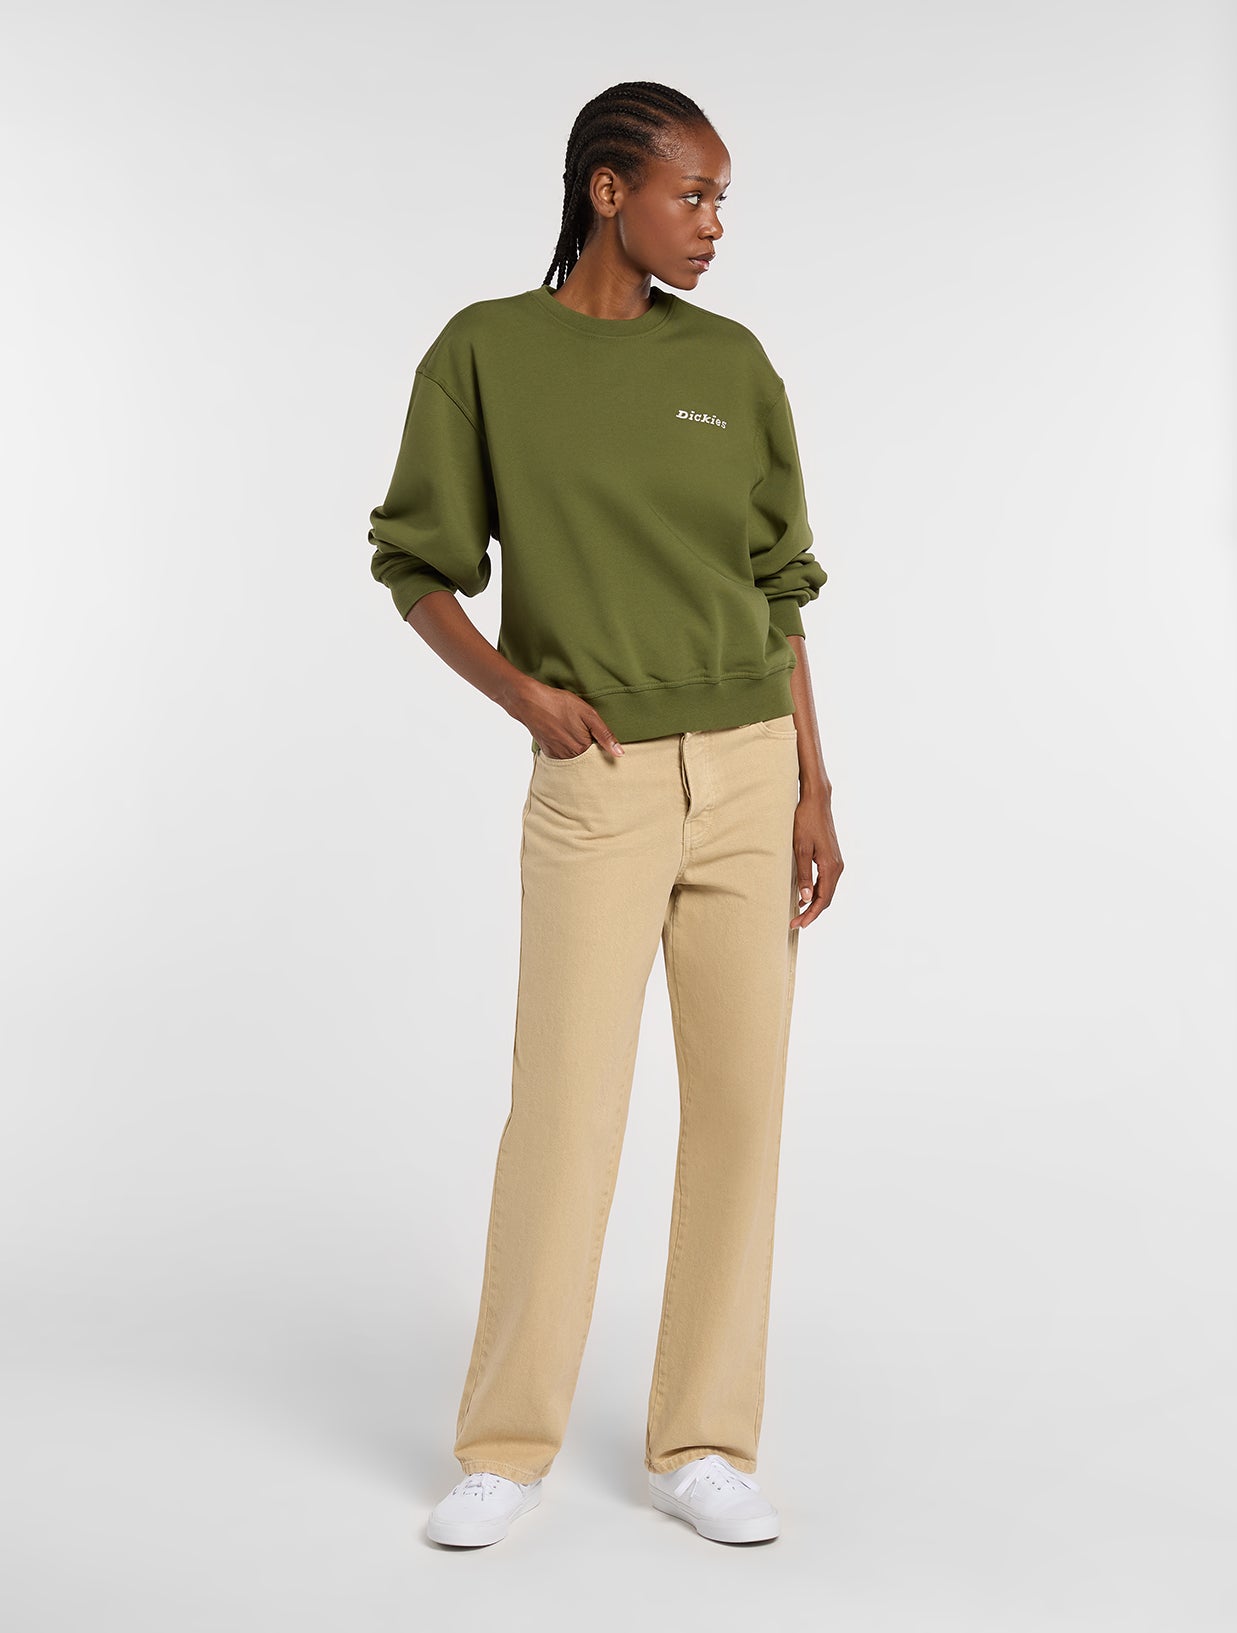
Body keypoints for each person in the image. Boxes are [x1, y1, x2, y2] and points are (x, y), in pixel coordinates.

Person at [367, 81, 844, 1548]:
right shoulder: (485, 353)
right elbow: (415, 563)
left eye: (721, 201)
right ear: (606, 191)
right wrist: (524, 695)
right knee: (566, 1116)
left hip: (750, 770)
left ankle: (704, 1442)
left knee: (742, 1118)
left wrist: (815, 783)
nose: (713, 226)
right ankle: (505, 1446)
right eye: (691, 195)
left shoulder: (732, 362)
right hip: (601, 780)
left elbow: (779, 589)